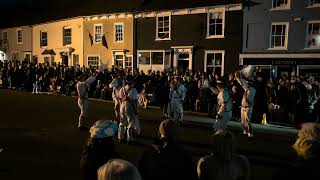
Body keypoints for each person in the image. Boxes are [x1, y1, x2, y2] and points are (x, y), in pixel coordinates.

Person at [235, 66, 256, 137]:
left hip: (248, 107)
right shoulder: (247, 89)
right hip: (244, 106)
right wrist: (238, 77)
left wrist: (240, 77)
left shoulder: (252, 90)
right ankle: (245, 131)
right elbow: (242, 84)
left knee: (247, 121)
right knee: (243, 121)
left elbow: (243, 84)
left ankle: (250, 133)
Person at [118, 78, 140, 143]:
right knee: (130, 123)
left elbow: (119, 99)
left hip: (122, 106)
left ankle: (120, 137)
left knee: (122, 123)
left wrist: (120, 106)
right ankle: (129, 138)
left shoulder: (122, 89)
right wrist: (136, 110)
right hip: (129, 107)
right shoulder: (133, 90)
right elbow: (135, 101)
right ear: (131, 83)